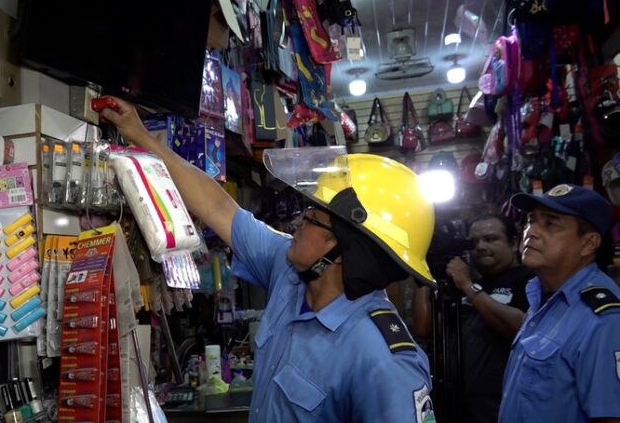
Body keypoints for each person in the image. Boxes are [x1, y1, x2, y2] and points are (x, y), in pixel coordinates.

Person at [100, 97, 437, 422]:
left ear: (341, 248)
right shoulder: (290, 270)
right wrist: (140, 136)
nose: (297, 223)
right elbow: (217, 207)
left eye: (311, 215)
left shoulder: (382, 359)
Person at [499, 184, 620, 422]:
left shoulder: (604, 320)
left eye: (550, 224)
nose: (530, 231)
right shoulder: (541, 298)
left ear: (588, 244)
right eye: (530, 220)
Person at [413, 214, 532, 423]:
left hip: (502, 408)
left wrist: (468, 287)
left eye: (491, 239)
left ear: (514, 243)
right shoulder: (469, 284)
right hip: (460, 407)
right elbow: (425, 329)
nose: (481, 247)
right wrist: (425, 272)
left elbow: (520, 327)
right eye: (474, 242)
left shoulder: (528, 279)